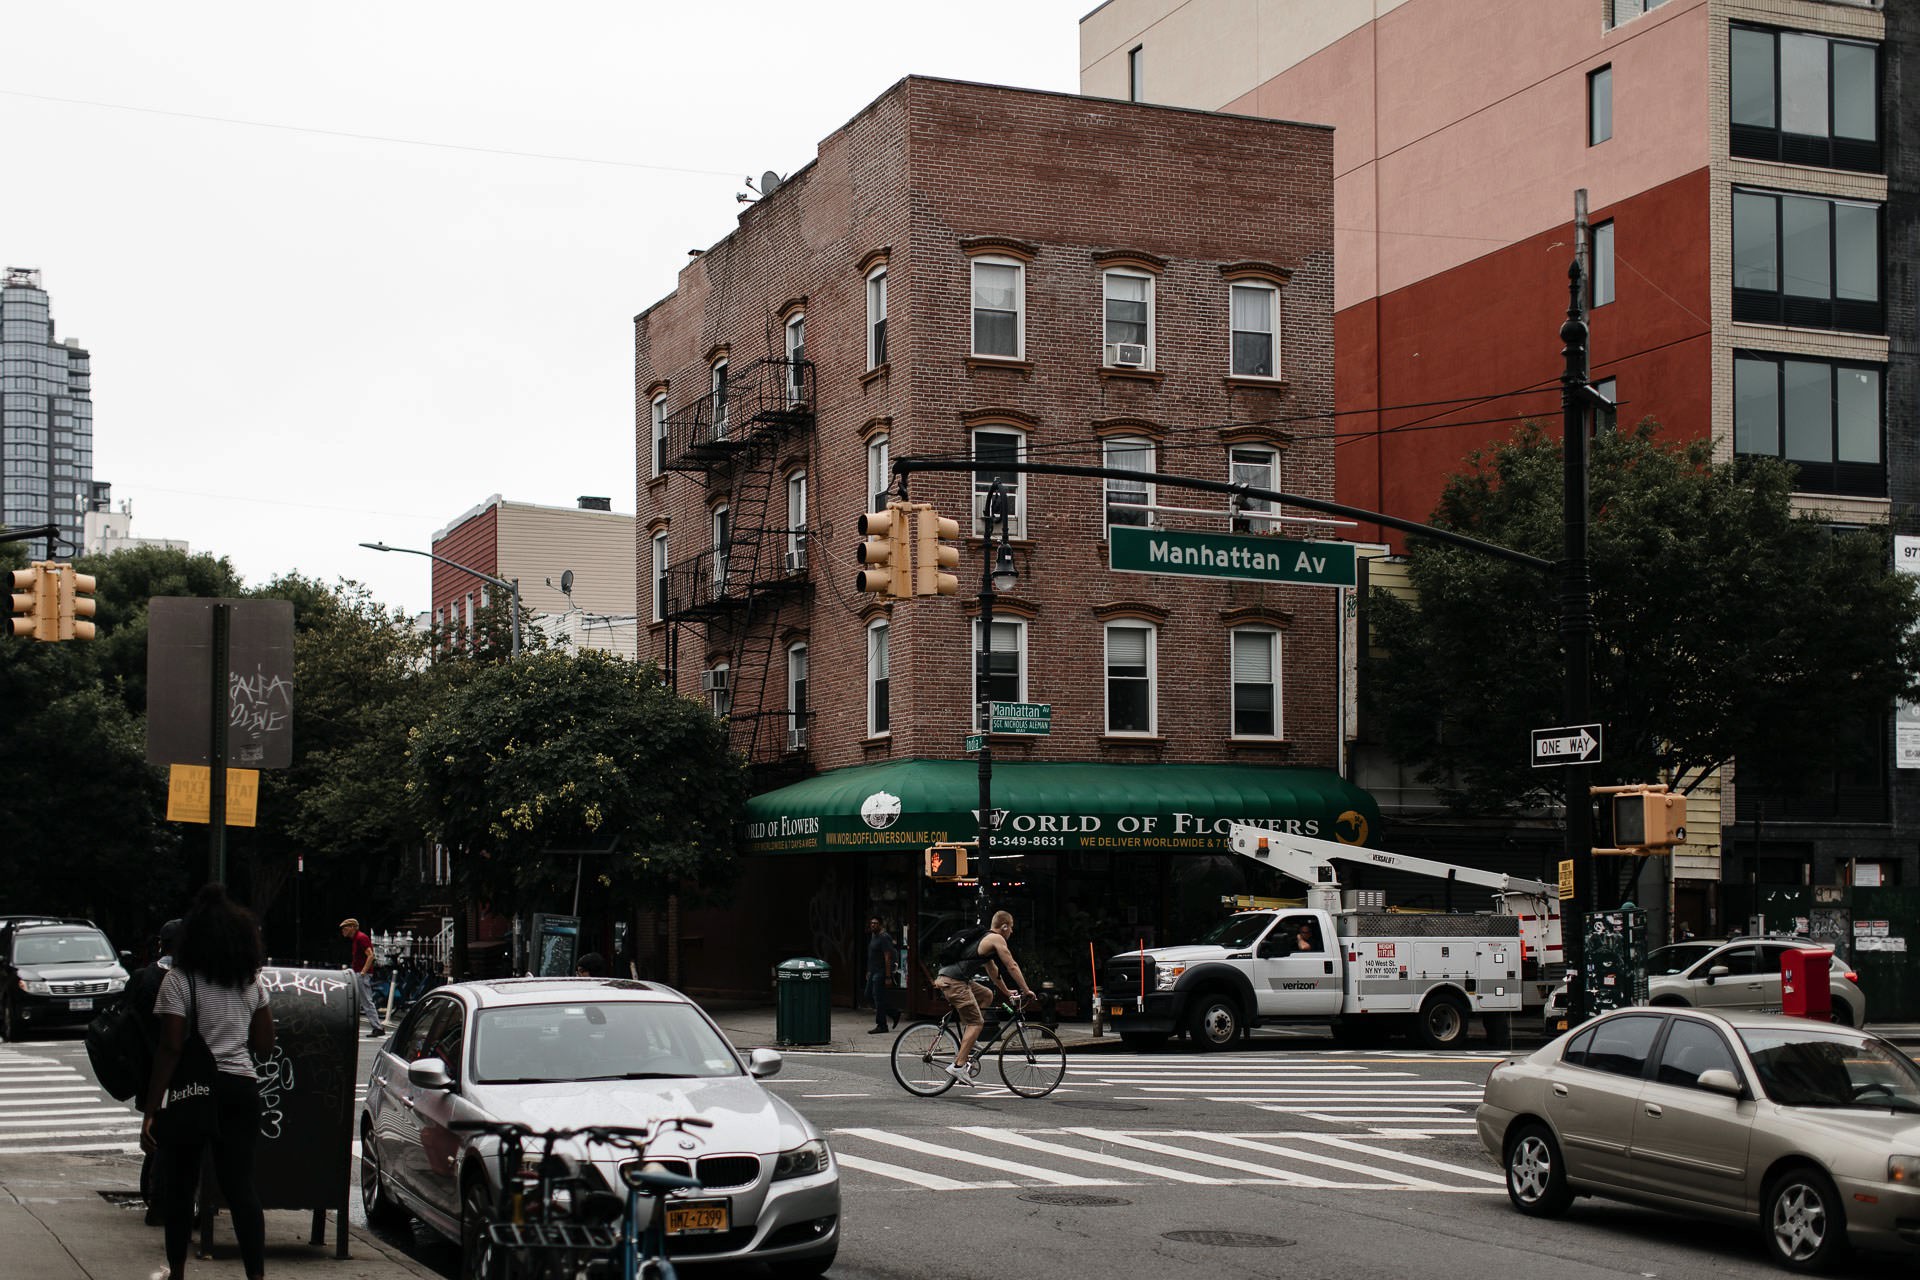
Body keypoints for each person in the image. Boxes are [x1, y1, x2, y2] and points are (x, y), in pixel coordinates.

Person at [141, 884, 274, 1280]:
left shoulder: (180, 981)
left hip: (193, 1093)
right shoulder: (249, 982)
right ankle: (256, 1276)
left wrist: (152, 1109)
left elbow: (170, 1047)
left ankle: (178, 1272)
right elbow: (265, 1044)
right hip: (240, 1089)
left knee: (181, 1188)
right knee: (241, 1188)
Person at [932, 910, 1033, 1086]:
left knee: (987, 994)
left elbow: (994, 972)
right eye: (1011, 928)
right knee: (976, 1023)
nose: (1012, 932)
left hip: (954, 979)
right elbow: (1012, 965)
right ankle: (958, 1066)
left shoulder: (985, 940)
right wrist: (1027, 990)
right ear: (1004, 926)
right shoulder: (996, 939)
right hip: (954, 982)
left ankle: (970, 1039)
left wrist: (1007, 992)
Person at [125, 918, 182, 1226]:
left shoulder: (143, 978)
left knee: (156, 1130)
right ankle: (159, 1199)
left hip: (147, 1067)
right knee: (168, 1136)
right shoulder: (185, 979)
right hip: (172, 1068)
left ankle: (154, 1193)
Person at [339, 917, 385, 1037]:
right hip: (358, 973)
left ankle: (378, 1027)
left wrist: (363, 972)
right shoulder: (356, 939)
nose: (343, 931)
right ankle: (375, 1026)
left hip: (361, 974)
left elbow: (370, 955)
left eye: (345, 928)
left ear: (353, 927)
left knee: (366, 1001)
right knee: (356, 1000)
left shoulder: (361, 938)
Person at [865, 917, 899, 1034]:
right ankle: (893, 1013)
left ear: (880, 925)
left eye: (875, 923)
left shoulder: (884, 937)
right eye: (871, 923)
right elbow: (872, 955)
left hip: (881, 972)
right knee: (868, 995)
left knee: (878, 998)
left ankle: (882, 1025)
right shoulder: (873, 936)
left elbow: (887, 957)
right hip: (873, 971)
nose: (873, 925)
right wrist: (869, 971)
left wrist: (888, 976)